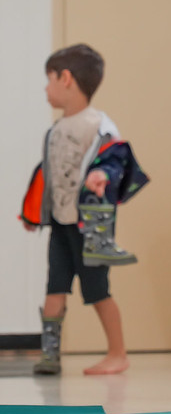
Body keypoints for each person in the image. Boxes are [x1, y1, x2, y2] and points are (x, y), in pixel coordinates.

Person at [20, 43, 149, 376]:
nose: (46, 89)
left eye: (49, 80)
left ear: (65, 78)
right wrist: (34, 212)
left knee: (97, 290)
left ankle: (118, 353)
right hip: (61, 224)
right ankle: (50, 355)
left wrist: (100, 174)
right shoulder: (56, 130)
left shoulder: (98, 124)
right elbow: (47, 174)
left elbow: (116, 159)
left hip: (90, 227)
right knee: (54, 286)